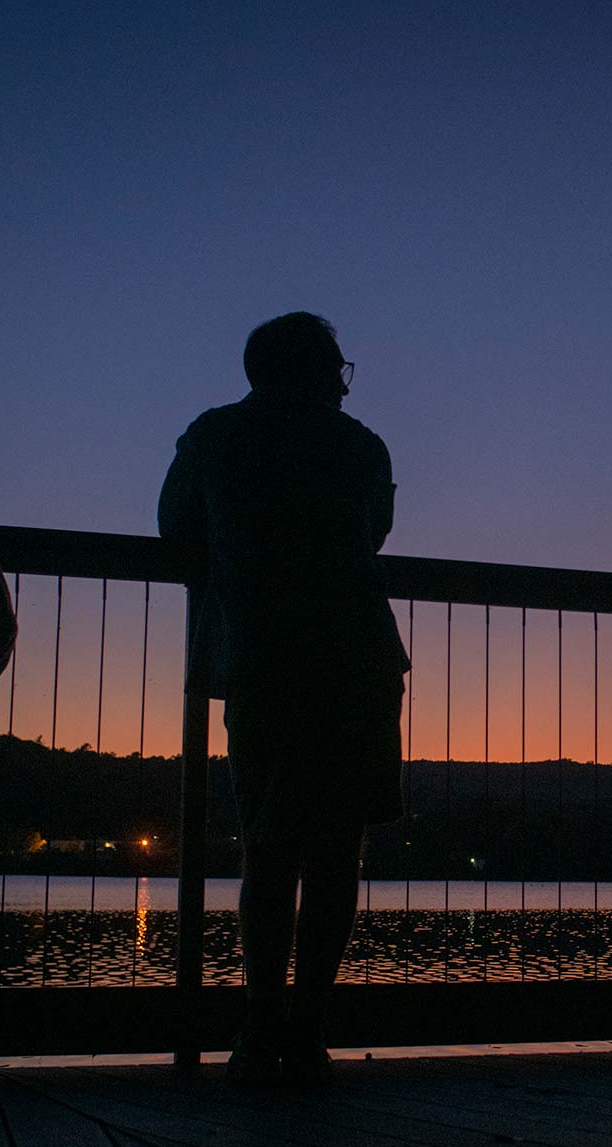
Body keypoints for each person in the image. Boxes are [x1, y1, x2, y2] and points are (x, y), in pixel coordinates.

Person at [158, 312, 408, 1087]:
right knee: (337, 849)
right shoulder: (360, 446)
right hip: (357, 656)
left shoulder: (213, 436)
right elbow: (375, 535)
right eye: (338, 366)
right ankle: (308, 1023)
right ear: (319, 369)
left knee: (267, 842)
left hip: (261, 656)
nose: (343, 381)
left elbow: (174, 530)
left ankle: (261, 1019)